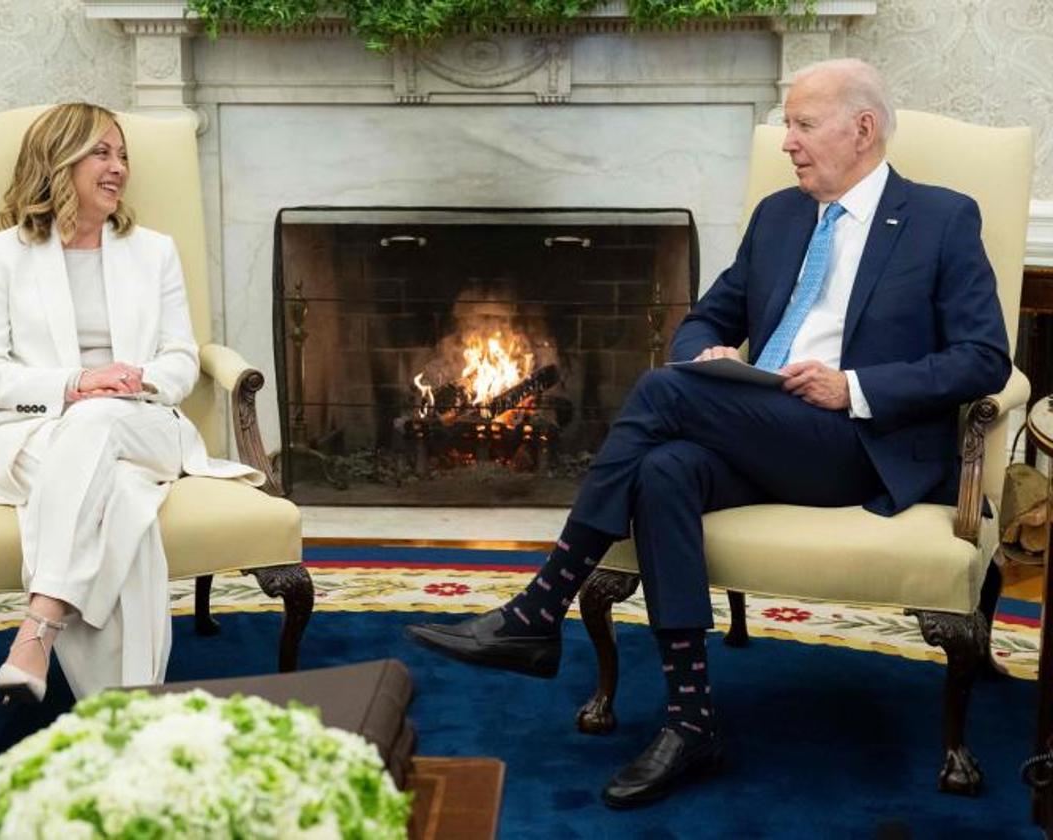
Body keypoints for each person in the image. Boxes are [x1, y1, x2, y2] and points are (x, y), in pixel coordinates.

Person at [406, 58, 1011, 808]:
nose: (785, 141)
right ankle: (691, 721)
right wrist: (708, 355)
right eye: (786, 124)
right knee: (665, 472)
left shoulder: (941, 218)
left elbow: (985, 357)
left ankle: (538, 608)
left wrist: (852, 386)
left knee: (663, 394)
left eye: (802, 124)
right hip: (766, 427)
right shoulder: (780, 216)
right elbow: (708, 317)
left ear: (862, 130)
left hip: (858, 444)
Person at [0, 103, 261, 704]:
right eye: (102, 152)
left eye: (122, 154)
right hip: (35, 435)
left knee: (100, 421)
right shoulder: (1, 254)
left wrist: (124, 383)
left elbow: (181, 358)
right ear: (59, 160)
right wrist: (75, 382)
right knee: (123, 503)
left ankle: (39, 625)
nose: (118, 167)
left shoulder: (153, 251)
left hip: (142, 423)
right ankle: (125, 712)